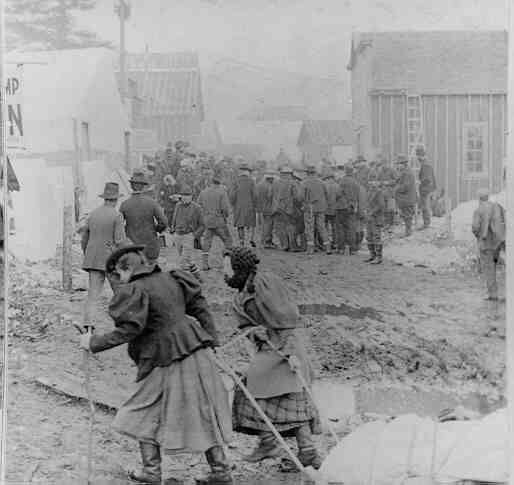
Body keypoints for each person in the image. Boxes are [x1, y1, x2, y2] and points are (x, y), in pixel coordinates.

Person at [79, 244, 233, 485]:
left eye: (118, 276)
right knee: (204, 409)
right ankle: (221, 470)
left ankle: (152, 472)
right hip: (196, 350)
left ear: (127, 268)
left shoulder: (136, 289)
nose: (118, 282)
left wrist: (93, 342)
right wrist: (211, 338)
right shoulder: (172, 279)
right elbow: (200, 306)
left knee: (142, 409)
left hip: (166, 357)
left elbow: (130, 329)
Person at [223, 247, 322, 471]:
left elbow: (287, 317)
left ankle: (286, 447)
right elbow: (245, 324)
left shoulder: (264, 283)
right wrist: (252, 330)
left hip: (285, 344)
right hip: (268, 347)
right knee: (270, 393)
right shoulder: (240, 294)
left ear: (240, 268)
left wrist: (289, 351)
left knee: (289, 395)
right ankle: (301, 450)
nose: (224, 273)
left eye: (227, 268)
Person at [80, 182, 128, 324]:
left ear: (105, 198)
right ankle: (125, 323)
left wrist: (88, 254)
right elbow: (120, 241)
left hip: (93, 259)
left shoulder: (93, 214)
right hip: (110, 260)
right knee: (120, 293)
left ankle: (88, 325)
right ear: (116, 199)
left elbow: (84, 239)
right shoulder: (117, 215)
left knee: (93, 295)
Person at [119, 171, 168, 264]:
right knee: (151, 274)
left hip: (132, 248)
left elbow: (119, 226)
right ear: (144, 186)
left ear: (131, 186)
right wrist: (156, 229)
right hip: (150, 247)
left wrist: (127, 231)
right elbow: (164, 222)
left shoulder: (124, 204)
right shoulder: (152, 202)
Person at [472, 189, 505, 301]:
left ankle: (493, 294)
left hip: (486, 245)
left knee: (489, 268)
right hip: (497, 244)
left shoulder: (478, 210)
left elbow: (475, 228)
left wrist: (479, 236)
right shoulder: (497, 207)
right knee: (496, 267)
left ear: (479, 198)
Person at [198, 175, 233, 271]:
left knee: (207, 242)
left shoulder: (203, 192)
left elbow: (199, 206)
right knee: (228, 241)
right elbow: (225, 209)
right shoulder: (222, 192)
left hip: (207, 221)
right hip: (219, 221)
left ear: (211, 183)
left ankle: (205, 264)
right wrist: (225, 217)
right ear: (219, 183)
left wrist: (205, 216)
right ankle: (227, 263)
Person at [170, 185, 204, 279]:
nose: (185, 197)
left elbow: (202, 225)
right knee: (187, 259)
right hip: (177, 236)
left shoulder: (197, 208)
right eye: (183, 195)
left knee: (183, 262)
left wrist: (194, 236)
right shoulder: (178, 205)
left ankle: (185, 281)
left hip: (188, 236)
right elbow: (174, 218)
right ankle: (198, 276)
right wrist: (173, 229)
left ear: (192, 196)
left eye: (187, 195)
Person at [299, 165, 331, 255]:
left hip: (310, 208)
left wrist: (304, 203)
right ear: (315, 173)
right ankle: (327, 248)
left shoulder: (304, 183)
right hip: (321, 208)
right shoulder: (322, 182)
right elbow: (327, 194)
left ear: (307, 173)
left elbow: (300, 197)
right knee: (322, 227)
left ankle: (310, 249)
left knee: (309, 228)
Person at [229, 163, 257, 247]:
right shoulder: (252, 181)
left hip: (239, 206)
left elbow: (232, 195)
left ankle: (241, 241)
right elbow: (255, 195)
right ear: (248, 172)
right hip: (250, 206)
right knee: (251, 224)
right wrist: (254, 204)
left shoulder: (235, 181)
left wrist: (233, 203)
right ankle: (251, 239)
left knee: (240, 225)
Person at [335, 164, 360, 255]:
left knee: (340, 228)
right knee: (351, 228)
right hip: (352, 207)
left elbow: (338, 193)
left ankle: (341, 249)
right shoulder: (356, 182)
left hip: (341, 207)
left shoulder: (342, 181)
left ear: (345, 171)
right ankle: (353, 249)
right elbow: (358, 195)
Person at [272, 167, 298, 251]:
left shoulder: (275, 183)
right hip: (288, 208)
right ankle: (293, 246)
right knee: (290, 226)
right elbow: (297, 197)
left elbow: (269, 194)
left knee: (280, 227)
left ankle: (284, 245)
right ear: (289, 174)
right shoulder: (292, 183)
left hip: (277, 208)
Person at [364, 174, 385, 264]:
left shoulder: (379, 192)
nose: (372, 183)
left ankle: (379, 257)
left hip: (376, 218)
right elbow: (367, 203)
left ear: (377, 182)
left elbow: (381, 205)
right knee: (369, 237)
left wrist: (372, 212)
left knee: (376, 237)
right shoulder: (369, 191)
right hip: (369, 218)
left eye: (374, 181)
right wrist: (366, 211)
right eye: (370, 181)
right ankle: (372, 255)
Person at [394, 155, 417, 237]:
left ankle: (408, 232)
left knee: (407, 216)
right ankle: (408, 231)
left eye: (398, 164)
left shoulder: (407, 173)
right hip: (405, 199)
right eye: (397, 164)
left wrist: (396, 188)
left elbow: (406, 186)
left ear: (403, 164)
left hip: (407, 198)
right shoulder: (404, 172)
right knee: (406, 215)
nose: (397, 165)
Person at [417, 147, 437, 229]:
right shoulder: (426, 164)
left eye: (418, 156)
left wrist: (420, 182)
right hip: (428, 189)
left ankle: (426, 223)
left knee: (425, 207)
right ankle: (426, 223)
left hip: (426, 189)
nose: (418, 158)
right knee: (425, 207)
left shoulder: (425, 165)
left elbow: (427, 179)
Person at [255, 171, 276, 249]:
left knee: (263, 225)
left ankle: (264, 241)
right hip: (268, 208)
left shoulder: (259, 185)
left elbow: (256, 196)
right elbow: (270, 196)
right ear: (270, 179)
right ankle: (267, 242)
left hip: (261, 208)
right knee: (268, 226)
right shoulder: (269, 186)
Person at [324, 173, 338, 251]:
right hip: (334, 209)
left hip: (325, 209)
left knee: (325, 228)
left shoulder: (325, 186)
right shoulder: (337, 186)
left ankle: (327, 243)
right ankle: (335, 243)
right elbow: (339, 196)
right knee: (334, 228)